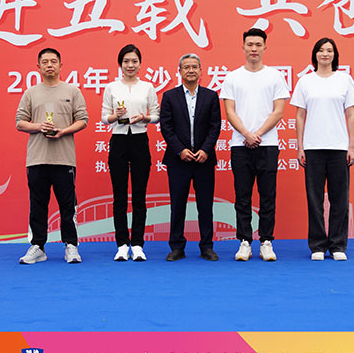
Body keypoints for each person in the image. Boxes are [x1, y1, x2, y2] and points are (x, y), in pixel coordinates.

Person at [220, 28, 289, 262]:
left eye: (258, 45)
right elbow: (230, 111)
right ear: (242, 47)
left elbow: (278, 111)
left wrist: (257, 134)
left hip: (267, 144)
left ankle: (266, 242)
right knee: (243, 196)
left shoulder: (275, 76)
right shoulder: (232, 77)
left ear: (265, 47)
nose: (254, 49)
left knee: (268, 195)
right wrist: (246, 134)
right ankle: (245, 242)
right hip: (240, 145)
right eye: (249, 44)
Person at [291, 38, 354, 261]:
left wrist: (351, 145)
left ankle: (338, 245)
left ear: (334, 55)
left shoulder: (344, 80)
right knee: (315, 199)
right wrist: (300, 146)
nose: (325, 54)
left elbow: (351, 114)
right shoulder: (305, 81)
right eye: (321, 50)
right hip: (313, 147)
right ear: (315, 55)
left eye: (329, 50)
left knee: (340, 198)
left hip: (338, 147)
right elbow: (300, 116)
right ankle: (318, 246)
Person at [15, 48, 88, 264]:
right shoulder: (30, 93)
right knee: (38, 204)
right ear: (38, 67)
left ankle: (71, 246)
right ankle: (38, 246)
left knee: (67, 205)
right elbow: (20, 122)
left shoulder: (72, 91)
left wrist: (64, 131)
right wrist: (39, 126)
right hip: (37, 158)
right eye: (45, 62)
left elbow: (83, 120)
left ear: (60, 65)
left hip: (64, 159)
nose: (49, 65)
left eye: (53, 61)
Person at [160, 53, 221, 262]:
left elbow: (215, 127)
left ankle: (207, 246)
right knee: (178, 205)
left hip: (204, 160)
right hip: (178, 160)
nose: (191, 70)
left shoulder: (211, 96)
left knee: (205, 205)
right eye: (186, 67)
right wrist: (180, 150)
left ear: (201, 71)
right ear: (180, 71)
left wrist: (205, 150)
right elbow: (166, 127)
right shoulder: (170, 96)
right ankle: (177, 247)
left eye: (195, 66)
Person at [101, 44, 160, 262]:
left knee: (139, 196)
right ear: (120, 64)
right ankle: (121, 245)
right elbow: (104, 117)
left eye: (134, 61)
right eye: (126, 61)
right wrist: (115, 116)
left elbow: (157, 115)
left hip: (139, 139)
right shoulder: (111, 87)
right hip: (118, 140)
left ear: (140, 64)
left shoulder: (147, 87)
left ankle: (137, 244)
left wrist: (144, 118)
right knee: (119, 196)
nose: (130, 65)